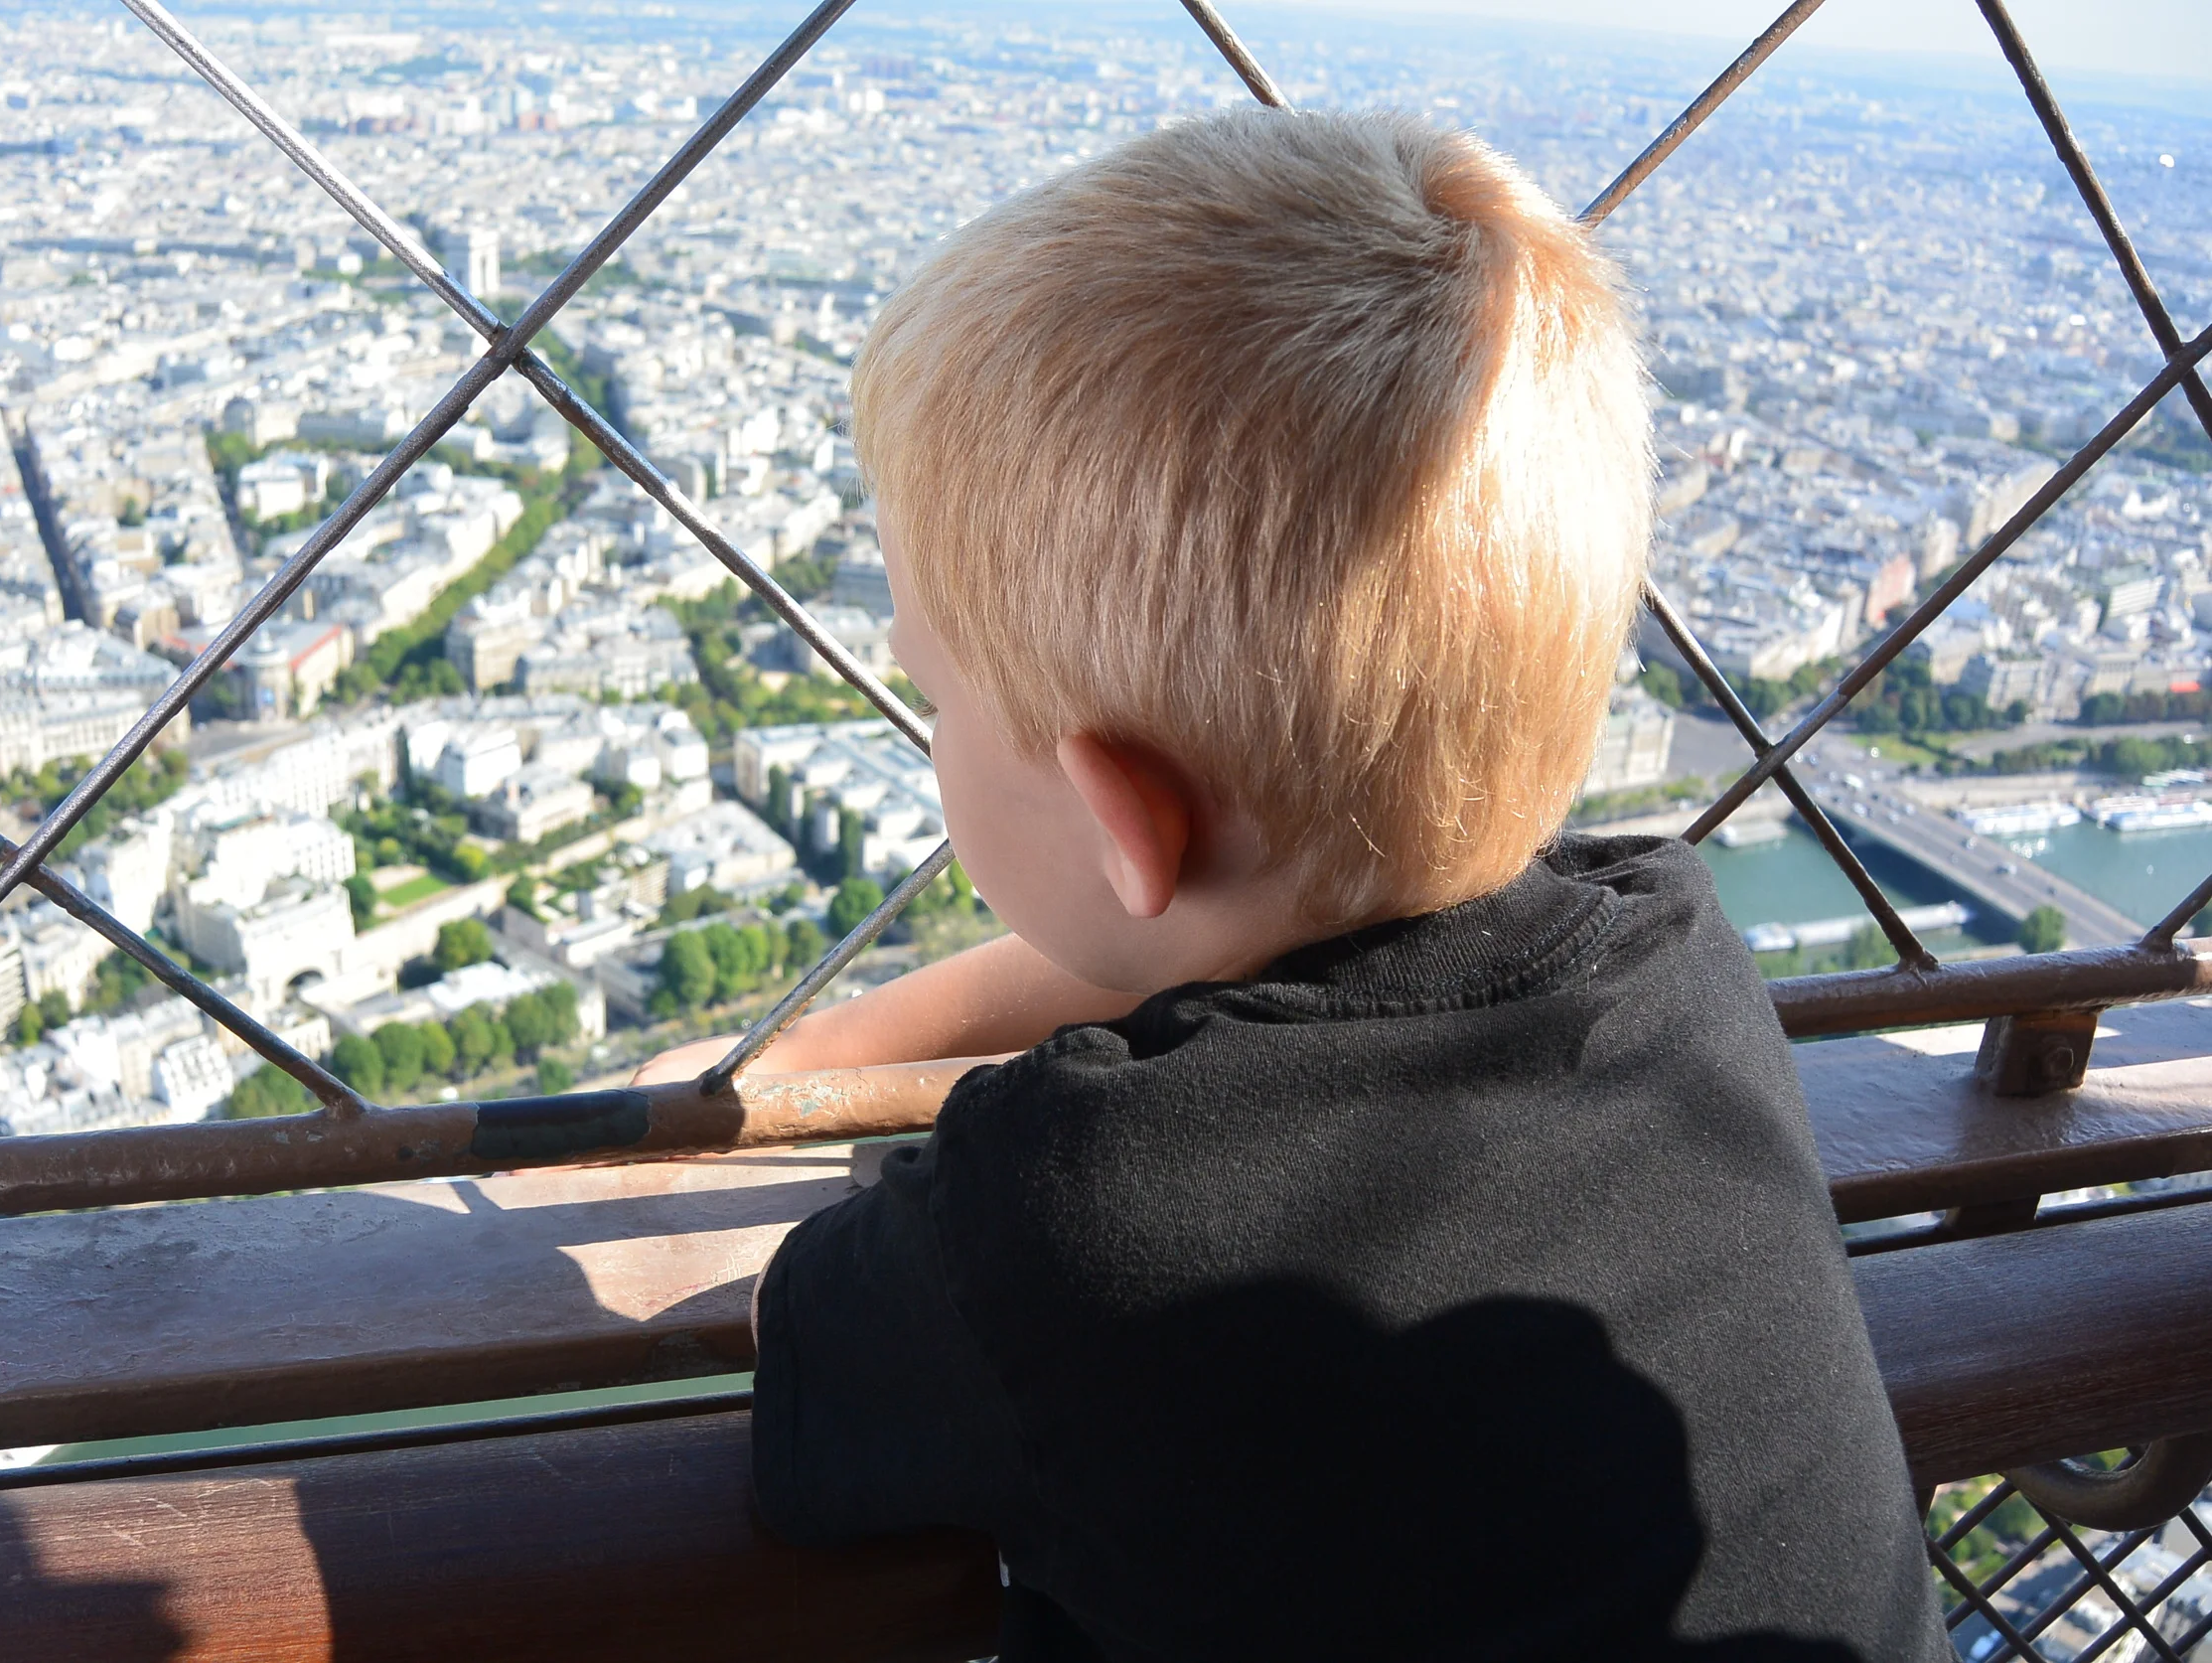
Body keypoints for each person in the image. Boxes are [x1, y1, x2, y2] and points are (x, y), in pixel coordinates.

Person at [638, 108, 1947, 1661]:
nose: (929, 720)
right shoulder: (1674, 960)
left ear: (1126, 818)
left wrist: (721, 1100)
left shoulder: (1069, 1216)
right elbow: (1224, 938)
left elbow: (792, 1340)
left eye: (935, 690)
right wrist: (818, 1054)